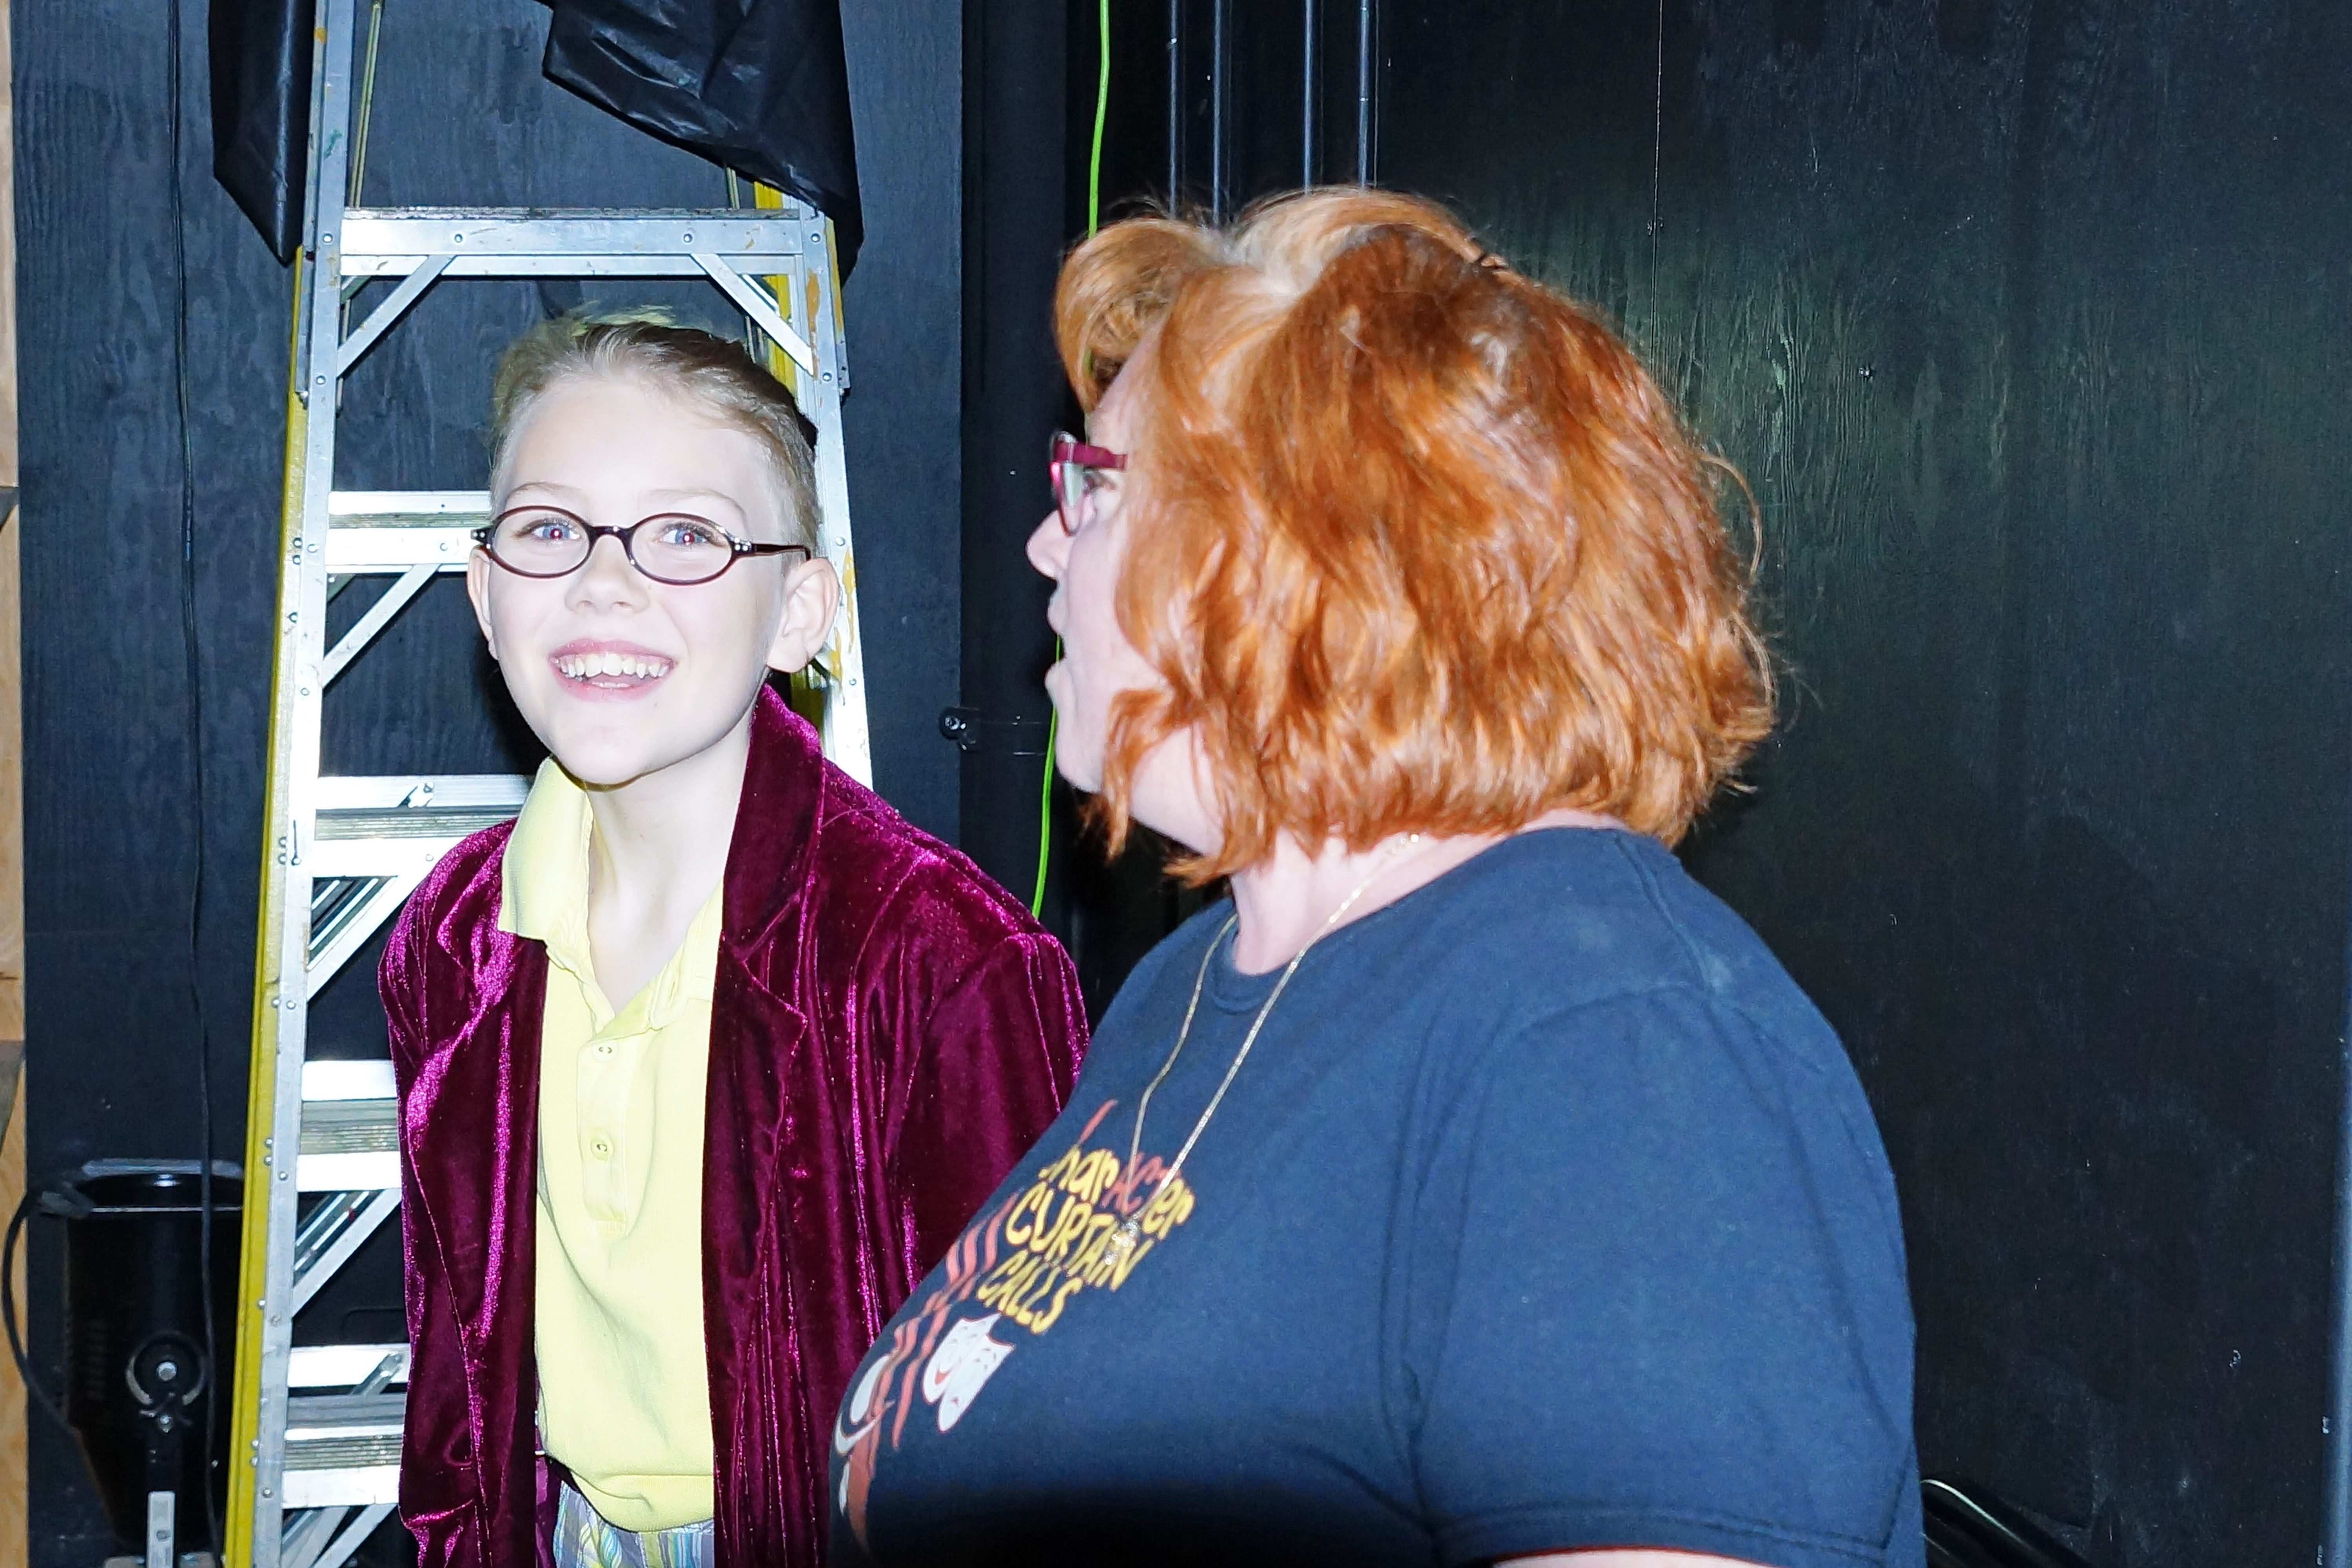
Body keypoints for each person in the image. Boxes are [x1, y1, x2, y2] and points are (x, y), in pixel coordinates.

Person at [828, 191, 1922, 1568]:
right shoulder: (1191, 984)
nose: (1049, 542)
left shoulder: (1612, 1047)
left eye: (1096, 485)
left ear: (1297, 549)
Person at [379, 315, 1088, 1568]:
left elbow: (1034, 1435)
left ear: (798, 612)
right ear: (485, 597)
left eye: (686, 537)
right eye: (549, 530)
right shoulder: (455, 936)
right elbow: (458, 1362)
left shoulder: (939, 963)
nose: (605, 584)